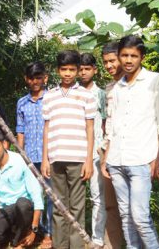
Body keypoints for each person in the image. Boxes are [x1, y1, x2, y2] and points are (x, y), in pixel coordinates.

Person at [101, 35, 159, 249]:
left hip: (141, 160)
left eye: (133, 56)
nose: (128, 60)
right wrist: (105, 160)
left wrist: (158, 158)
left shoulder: (156, 81)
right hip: (116, 161)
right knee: (126, 216)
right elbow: (112, 126)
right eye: (124, 55)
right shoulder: (116, 88)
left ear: (142, 57)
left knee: (140, 216)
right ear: (119, 57)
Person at [40, 49, 95, 248]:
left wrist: (88, 160)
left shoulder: (85, 95)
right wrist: (45, 158)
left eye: (72, 69)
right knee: (58, 206)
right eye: (64, 69)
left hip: (78, 158)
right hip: (55, 158)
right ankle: (60, 245)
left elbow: (90, 128)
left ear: (78, 70)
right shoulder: (49, 96)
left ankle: (76, 245)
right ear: (58, 70)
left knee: (77, 207)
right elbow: (46, 128)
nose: (68, 73)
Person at [0, 129, 44, 249]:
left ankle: (22, 239)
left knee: (23, 204)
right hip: (4, 208)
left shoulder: (20, 160)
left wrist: (34, 228)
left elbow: (37, 195)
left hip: (24, 208)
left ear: (4, 144)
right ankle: (11, 235)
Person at [16, 61, 53, 248]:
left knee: (50, 196)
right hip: (29, 157)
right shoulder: (21, 102)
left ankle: (48, 234)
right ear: (26, 79)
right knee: (31, 196)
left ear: (45, 78)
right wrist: (20, 155)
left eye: (39, 77)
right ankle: (32, 230)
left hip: (49, 157)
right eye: (32, 78)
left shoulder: (52, 99)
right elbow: (20, 131)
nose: (35, 81)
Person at [78, 53, 108, 248]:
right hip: (76, 150)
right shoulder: (73, 92)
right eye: (80, 69)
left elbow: (106, 122)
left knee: (97, 196)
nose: (83, 72)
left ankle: (97, 238)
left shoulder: (101, 94)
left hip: (96, 151)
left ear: (94, 70)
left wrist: (103, 148)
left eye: (87, 68)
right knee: (77, 197)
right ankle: (77, 234)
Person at [100, 41, 124, 247]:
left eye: (112, 61)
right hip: (108, 150)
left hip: (131, 151)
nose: (108, 66)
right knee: (110, 204)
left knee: (133, 205)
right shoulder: (108, 88)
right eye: (105, 62)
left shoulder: (140, 84)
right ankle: (112, 244)